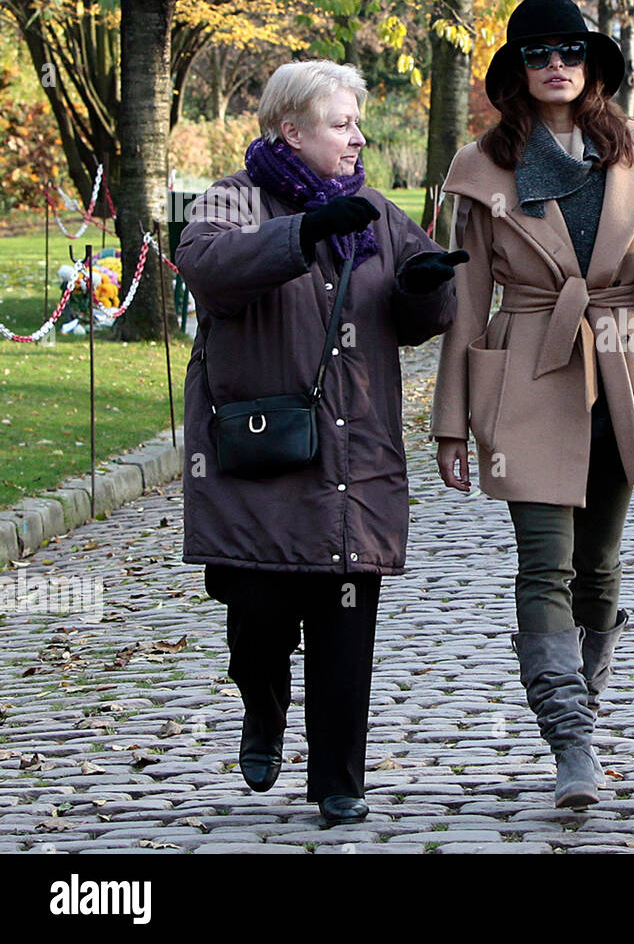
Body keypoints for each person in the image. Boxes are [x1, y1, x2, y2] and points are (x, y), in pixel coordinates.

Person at [430, 0, 634, 809]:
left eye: (571, 50)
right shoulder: (481, 169)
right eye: (538, 54)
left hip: (627, 366)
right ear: (516, 73)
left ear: (594, 64)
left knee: (600, 565)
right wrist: (450, 421)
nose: (556, 64)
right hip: (528, 368)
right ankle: (570, 741)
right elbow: (466, 301)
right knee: (545, 561)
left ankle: (585, 716)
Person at [175, 60, 464, 827]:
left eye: (357, 123)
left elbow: (416, 313)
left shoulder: (372, 206)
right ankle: (261, 710)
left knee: (345, 618)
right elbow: (204, 267)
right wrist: (300, 232)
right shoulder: (233, 199)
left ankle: (340, 779)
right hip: (261, 449)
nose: (357, 136)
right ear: (291, 131)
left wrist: (428, 284)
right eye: (342, 124)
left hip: (353, 453)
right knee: (260, 609)